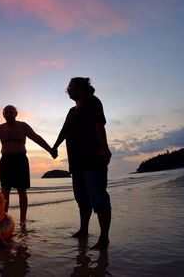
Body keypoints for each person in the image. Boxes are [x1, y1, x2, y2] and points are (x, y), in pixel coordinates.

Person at [51, 77, 112, 251]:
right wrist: (54, 147)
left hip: (93, 158)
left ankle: (104, 238)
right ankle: (83, 230)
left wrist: (104, 148)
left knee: (99, 196)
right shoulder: (71, 111)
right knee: (82, 199)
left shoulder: (92, 102)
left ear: (80, 87)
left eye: (70, 87)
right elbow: (64, 131)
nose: (68, 90)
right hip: (76, 162)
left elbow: (99, 124)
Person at [0, 105, 57, 226]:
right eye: (6, 112)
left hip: (20, 160)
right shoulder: (0, 128)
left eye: (11, 112)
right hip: (6, 161)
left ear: (16, 113)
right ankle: (3, 217)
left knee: (22, 191)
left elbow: (36, 138)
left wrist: (50, 149)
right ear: (3, 115)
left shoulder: (23, 126)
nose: (8, 114)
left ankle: (23, 220)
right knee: (5, 191)